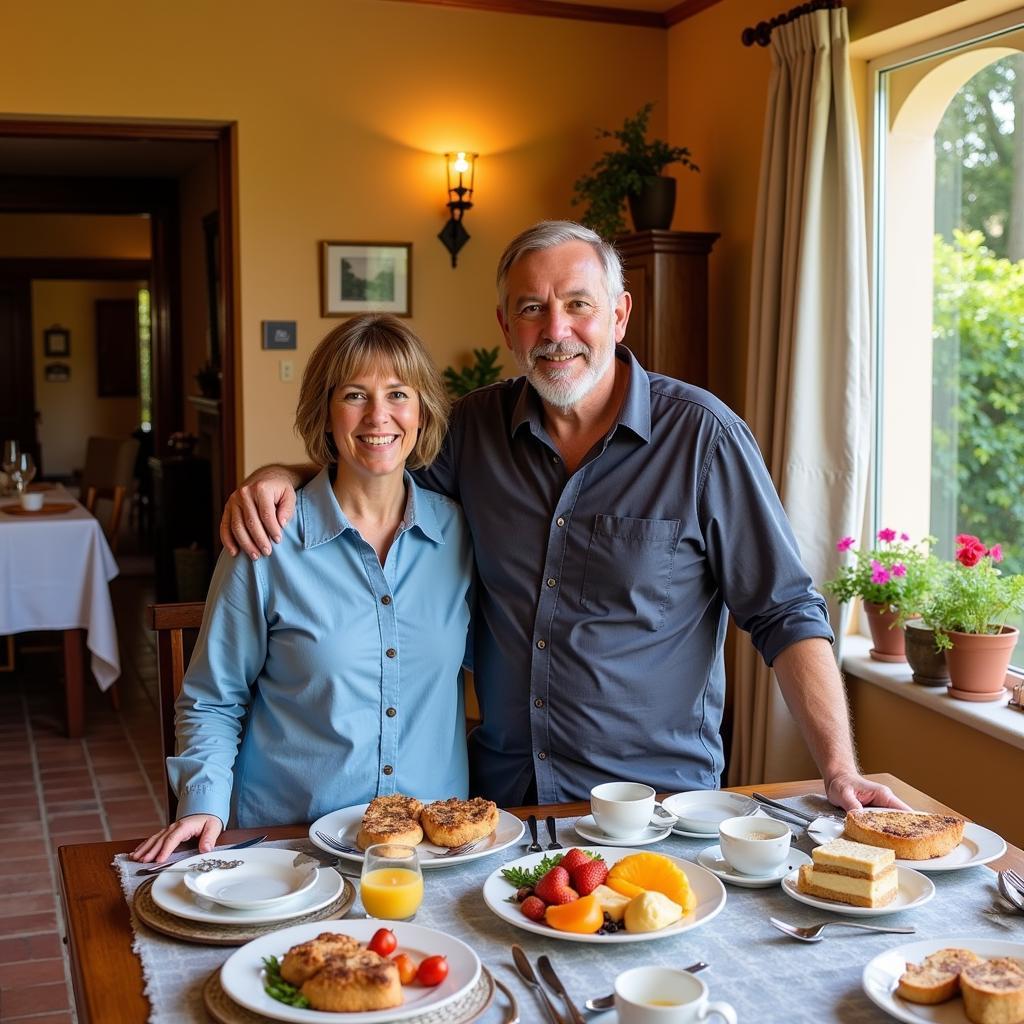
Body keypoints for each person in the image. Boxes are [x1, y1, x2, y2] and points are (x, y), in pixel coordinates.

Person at [221, 221, 906, 815]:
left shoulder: (703, 439)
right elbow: (374, 476)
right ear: (505, 326)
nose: (556, 331)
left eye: (578, 304)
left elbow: (785, 609)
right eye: (531, 308)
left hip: (656, 805)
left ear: (619, 314)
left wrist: (838, 769)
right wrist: (281, 476)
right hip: (503, 800)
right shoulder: (472, 433)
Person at [132, 314, 473, 863]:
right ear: (326, 411)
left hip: (432, 843)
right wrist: (204, 803)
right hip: (291, 840)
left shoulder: (459, 533)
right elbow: (213, 699)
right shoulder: (267, 537)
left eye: (398, 394)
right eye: (355, 395)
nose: (378, 416)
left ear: (423, 410)